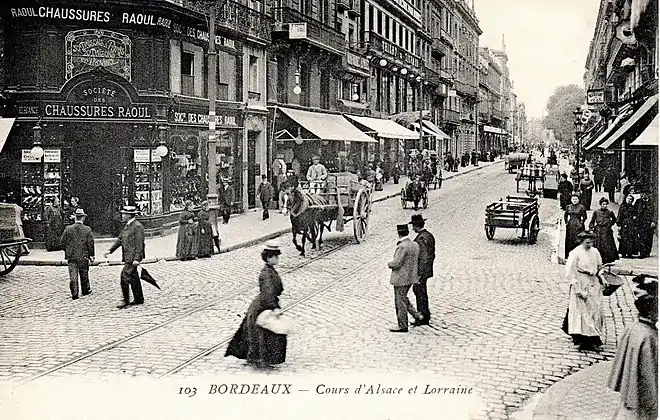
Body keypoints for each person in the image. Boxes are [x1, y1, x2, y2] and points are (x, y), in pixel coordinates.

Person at [225, 241, 287, 368]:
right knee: (265, 333)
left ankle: (259, 358)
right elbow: (268, 292)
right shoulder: (267, 274)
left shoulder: (269, 270)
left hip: (263, 304)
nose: (277, 259)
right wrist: (274, 307)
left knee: (263, 333)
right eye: (275, 256)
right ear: (269, 258)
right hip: (264, 306)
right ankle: (260, 359)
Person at [608, 275, 658, 420]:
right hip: (642, 401)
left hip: (629, 393)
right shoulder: (648, 336)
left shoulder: (632, 328)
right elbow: (648, 374)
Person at [561, 231, 604, 350]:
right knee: (582, 312)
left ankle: (594, 336)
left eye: (591, 242)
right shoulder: (575, 253)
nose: (589, 244)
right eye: (587, 243)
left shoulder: (595, 252)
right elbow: (570, 271)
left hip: (593, 282)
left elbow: (599, 267)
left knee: (594, 310)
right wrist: (577, 288)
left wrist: (602, 278)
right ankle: (585, 339)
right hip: (581, 281)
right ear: (582, 242)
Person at [104, 206, 145, 309]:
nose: (122, 215)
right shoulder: (127, 226)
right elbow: (120, 239)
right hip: (128, 256)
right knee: (134, 277)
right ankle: (139, 298)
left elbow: (139, 244)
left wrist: (137, 258)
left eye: (124, 214)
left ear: (129, 215)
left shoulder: (137, 226)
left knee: (124, 276)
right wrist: (110, 250)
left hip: (132, 258)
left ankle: (125, 300)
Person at [387, 224, 424, 333]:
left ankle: (402, 325)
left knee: (400, 302)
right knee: (404, 298)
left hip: (401, 279)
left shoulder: (402, 246)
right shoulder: (415, 244)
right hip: (411, 277)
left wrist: (389, 264)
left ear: (399, 233)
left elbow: (397, 263)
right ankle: (416, 314)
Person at [59, 208, 94, 300]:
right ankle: (85, 290)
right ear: (83, 218)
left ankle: (74, 293)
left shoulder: (68, 229)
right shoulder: (87, 229)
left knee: (73, 275)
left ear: (75, 217)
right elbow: (90, 243)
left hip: (71, 256)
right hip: (83, 255)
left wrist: (68, 250)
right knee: (84, 273)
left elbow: (62, 243)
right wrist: (91, 255)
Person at [410, 214, 435, 326]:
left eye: (413, 226)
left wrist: (419, 273)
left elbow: (424, 257)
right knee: (421, 291)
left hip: (421, 271)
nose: (412, 229)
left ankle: (422, 316)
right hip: (427, 269)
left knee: (419, 291)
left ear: (416, 226)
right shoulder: (429, 235)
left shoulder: (420, 238)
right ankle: (425, 313)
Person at [589, 197, 619, 264]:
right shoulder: (596, 212)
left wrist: (610, 225)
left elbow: (614, 219)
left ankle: (607, 259)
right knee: (598, 244)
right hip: (598, 230)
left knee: (606, 244)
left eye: (606, 204)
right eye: (603, 204)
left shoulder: (610, 212)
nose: (605, 206)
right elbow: (592, 221)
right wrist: (591, 228)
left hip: (606, 230)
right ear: (600, 205)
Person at [564, 193, 588, 259]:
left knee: (578, 240)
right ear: (571, 200)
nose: (574, 200)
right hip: (570, 225)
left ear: (578, 200)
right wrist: (566, 222)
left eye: (576, 199)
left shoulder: (582, 207)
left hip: (579, 225)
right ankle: (569, 255)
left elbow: (585, 216)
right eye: (573, 199)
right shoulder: (568, 207)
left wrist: (581, 223)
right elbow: (565, 215)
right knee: (570, 240)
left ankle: (579, 256)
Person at [634, 192, 657, 259]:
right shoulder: (638, 201)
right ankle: (642, 253)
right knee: (641, 237)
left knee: (649, 237)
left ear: (648, 195)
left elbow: (655, 212)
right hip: (640, 222)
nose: (643, 195)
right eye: (642, 194)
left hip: (649, 223)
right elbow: (635, 210)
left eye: (645, 194)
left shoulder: (652, 203)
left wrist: (653, 221)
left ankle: (647, 252)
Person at [617, 194, 638, 258]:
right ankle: (623, 253)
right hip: (624, 223)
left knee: (631, 238)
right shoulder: (622, 207)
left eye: (631, 199)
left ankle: (630, 253)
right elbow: (619, 216)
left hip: (631, 224)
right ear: (625, 199)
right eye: (628, 199)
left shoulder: (633, 208)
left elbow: (636, 215)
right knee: (624, 238)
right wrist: (619, 225)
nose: (629, 200)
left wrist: (635, 217)